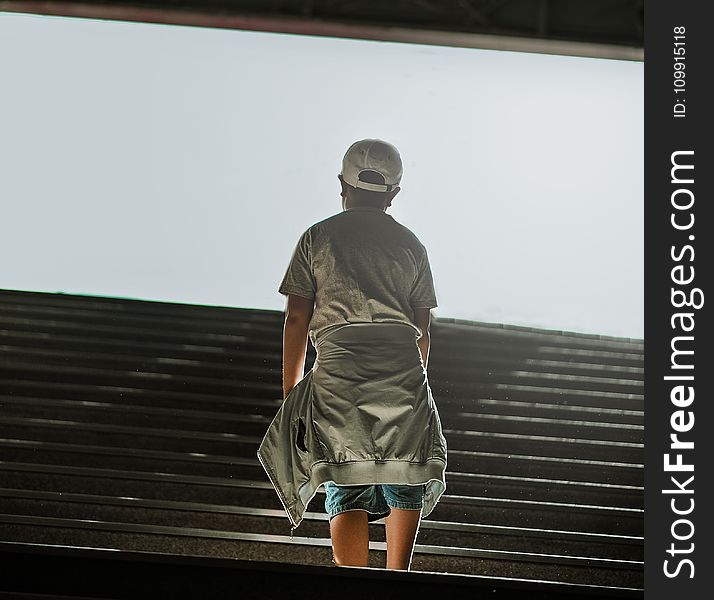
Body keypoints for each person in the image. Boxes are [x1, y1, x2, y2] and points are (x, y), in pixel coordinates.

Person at [257, 138, 447, 572]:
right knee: (407, 472)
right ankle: (397, 574)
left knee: (345, 474)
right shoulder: (411, 245)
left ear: (341, 184)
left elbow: (296, 321)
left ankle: (354, 583)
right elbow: (423, 329)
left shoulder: (317, 237)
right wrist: (415, 380)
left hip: (340, 370)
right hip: (401, 369)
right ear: (394, 194)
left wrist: (292, 391)